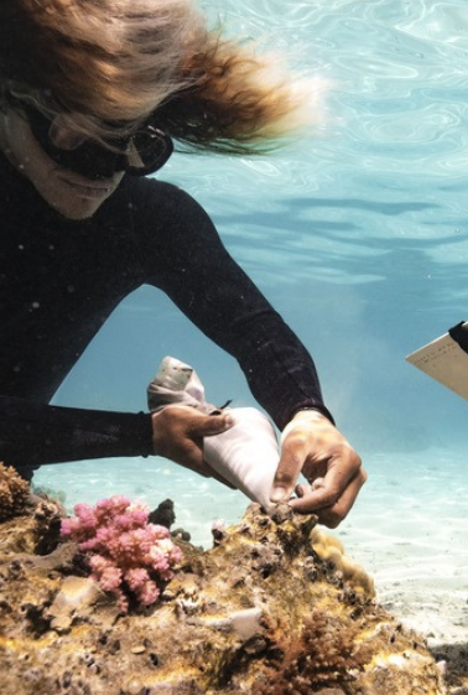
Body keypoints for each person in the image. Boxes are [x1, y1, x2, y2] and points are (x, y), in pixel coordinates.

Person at [0, 0, 366, 528]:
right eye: (78, 134)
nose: (107, 171)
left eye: (136, 142)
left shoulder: (143, 217)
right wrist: (143, 435)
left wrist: (307, 413)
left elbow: (256, 332)